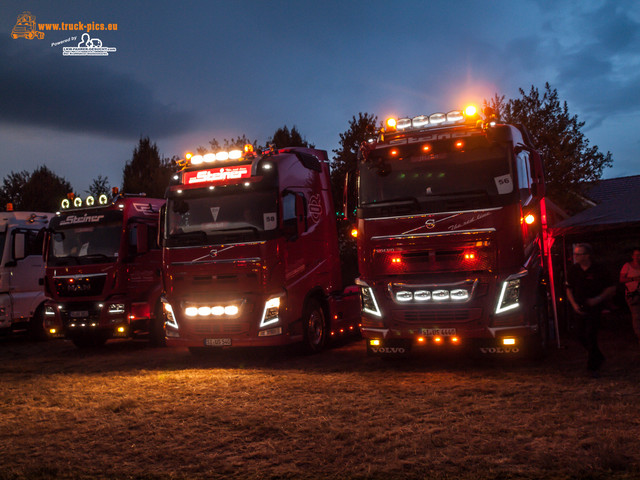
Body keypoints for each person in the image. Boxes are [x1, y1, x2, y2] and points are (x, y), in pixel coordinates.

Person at [565, 243, 616, 376]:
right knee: (579, 334)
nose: (575, 256)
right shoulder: (574, 270)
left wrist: (597, 299)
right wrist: (574, 304)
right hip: (579, 305)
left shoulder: (599, 269)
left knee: (591, 334)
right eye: (575, 253)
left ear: (587, 255)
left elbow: (611, 287)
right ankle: (598, 356)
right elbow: (568, 288)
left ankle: (593, 366)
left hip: (594, 306)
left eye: (578, 254)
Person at [619, 247, 640, 345]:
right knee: (636, 315)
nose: (637, 257)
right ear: (632, 256)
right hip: (632, 294)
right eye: (636, 255)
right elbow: (621, 279)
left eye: (639, 255)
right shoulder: (627, 266)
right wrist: (634, 279)